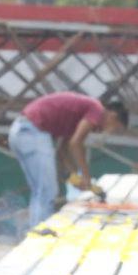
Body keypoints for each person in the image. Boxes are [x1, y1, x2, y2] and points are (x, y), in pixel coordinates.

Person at [8, 92, 128, 231]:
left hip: (20, 131)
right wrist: (86, 176)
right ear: (112, 116)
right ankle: (41, 232)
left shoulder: (77, 117)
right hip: (32, 131)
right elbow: (76, 143)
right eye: (115, 128)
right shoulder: (97, 109)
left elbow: (63, 150)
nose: (110, 132)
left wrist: (73, 176)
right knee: (48, 190)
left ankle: (35, 229)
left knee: (39, 190)